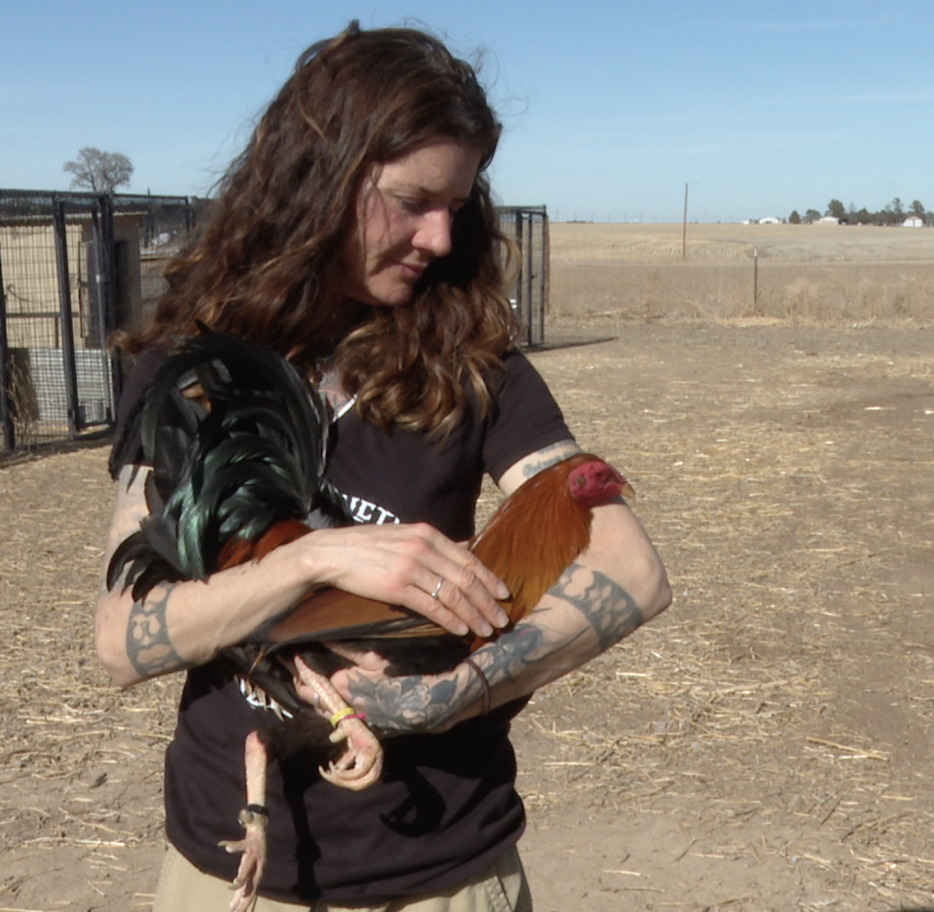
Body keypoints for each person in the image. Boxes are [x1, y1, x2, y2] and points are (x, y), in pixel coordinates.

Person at [95, 22, 672, 912]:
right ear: (320, 181)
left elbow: (631, 569)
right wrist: (314, 561)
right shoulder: (195, 372)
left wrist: (450, 695)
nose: (441, 237)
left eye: (458, 204)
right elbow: (120, 640)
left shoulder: (477, 363)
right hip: (235, 878)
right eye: (411, 201)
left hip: (445, 871)